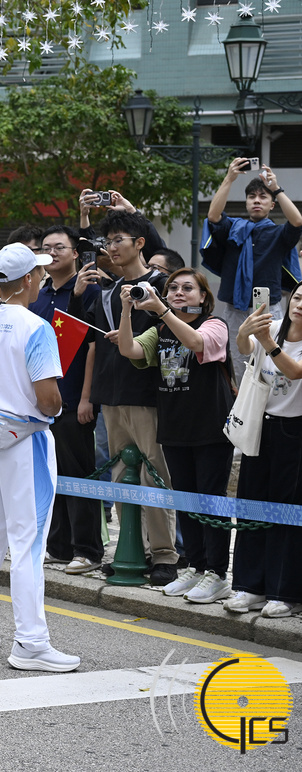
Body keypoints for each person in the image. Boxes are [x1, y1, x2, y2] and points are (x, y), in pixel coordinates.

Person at [0, 243, 79, 672]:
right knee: (28, 542)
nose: (42, 278)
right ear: (28, 279)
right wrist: (55, 406)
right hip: (26, 440)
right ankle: (30, 642)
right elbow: (48, 400)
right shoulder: (36, 327)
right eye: (38, 273)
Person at [116, 268, 235, 604]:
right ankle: (196, 567)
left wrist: (161, 309)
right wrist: (126, 310)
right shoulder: (160, 329)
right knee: (185, 501)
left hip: (211, 429)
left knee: (210, 500)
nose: (178, 292)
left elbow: (197, 343)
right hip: (174, 428)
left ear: (203, 296)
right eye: (172, 288)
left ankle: (217, 573)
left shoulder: (214, 324)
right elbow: (129, 349)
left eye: (187, 288)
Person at [84, 203, 180, 586]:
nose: (111, 248)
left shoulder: (162, 284)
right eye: (107, 241)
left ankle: (165, 555)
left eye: (118, 240)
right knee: (120, 473)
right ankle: (130, 550)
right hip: (112, 393)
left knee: (154, 474)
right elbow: (94, 345)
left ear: (140, 243)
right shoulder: (106, 291)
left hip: (148, 393)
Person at [224, 285, 302, 618]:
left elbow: (295, 372)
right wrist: (244, 333)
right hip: (261, 423)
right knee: (251, 504)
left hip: (295, 430)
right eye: (298, 297)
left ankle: (283, 592)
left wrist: (268, 342)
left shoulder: (273, 335)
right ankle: (249, 587)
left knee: (286, 511)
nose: (300, 305)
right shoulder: (273, 325)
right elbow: (245, 349)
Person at [31, 225, 104, 574]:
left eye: (59, 247)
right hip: (42, 400)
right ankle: (58, 546)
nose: (52, 252)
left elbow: (93, 347)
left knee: (78, 475)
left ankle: (87, 550)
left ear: (76, 253)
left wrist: (88, 397)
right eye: (46, 247)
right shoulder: (38, 293)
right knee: (49, 474)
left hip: (74, 396)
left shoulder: (90, 289)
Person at [203, 159, 302, 380]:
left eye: (263, 197)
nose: (257, 200)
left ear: (272, 205)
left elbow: (297, 221)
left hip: (269, 307)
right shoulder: (233, 228)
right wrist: (229, 178)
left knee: (272, 363)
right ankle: (242, 399)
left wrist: (276, 188)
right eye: (251, 197)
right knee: (240, 364)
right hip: (235, 308)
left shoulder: (279, 234)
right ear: (246, 202)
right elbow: (213, 217)